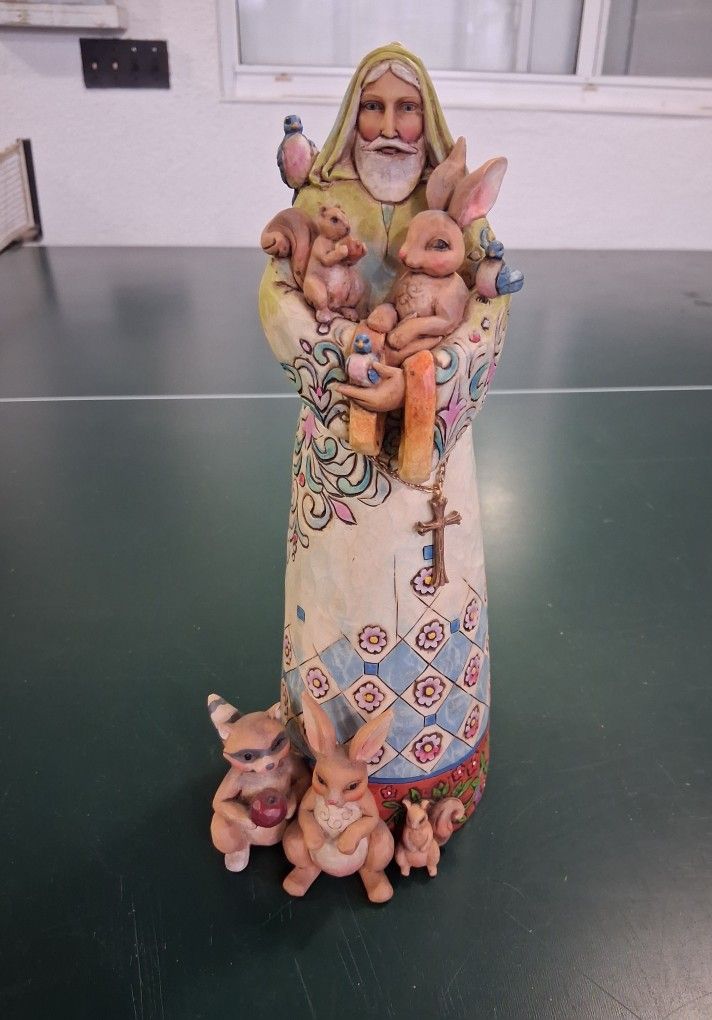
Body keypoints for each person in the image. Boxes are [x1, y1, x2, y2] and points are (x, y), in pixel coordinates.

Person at [260, 43, 511, 822]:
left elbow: (489, 307)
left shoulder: (462, 217)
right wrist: (348, 362)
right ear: (352, 117)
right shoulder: (317, 196)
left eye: (406, 109)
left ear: (425, 118)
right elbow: (278, 301)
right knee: (338, 594)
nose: (391, 127)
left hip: (434, 458)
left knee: (431, 587)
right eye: (374, 108)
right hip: (339, 452)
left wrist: (424, 378)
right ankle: (328, 773)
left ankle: (433, 780)